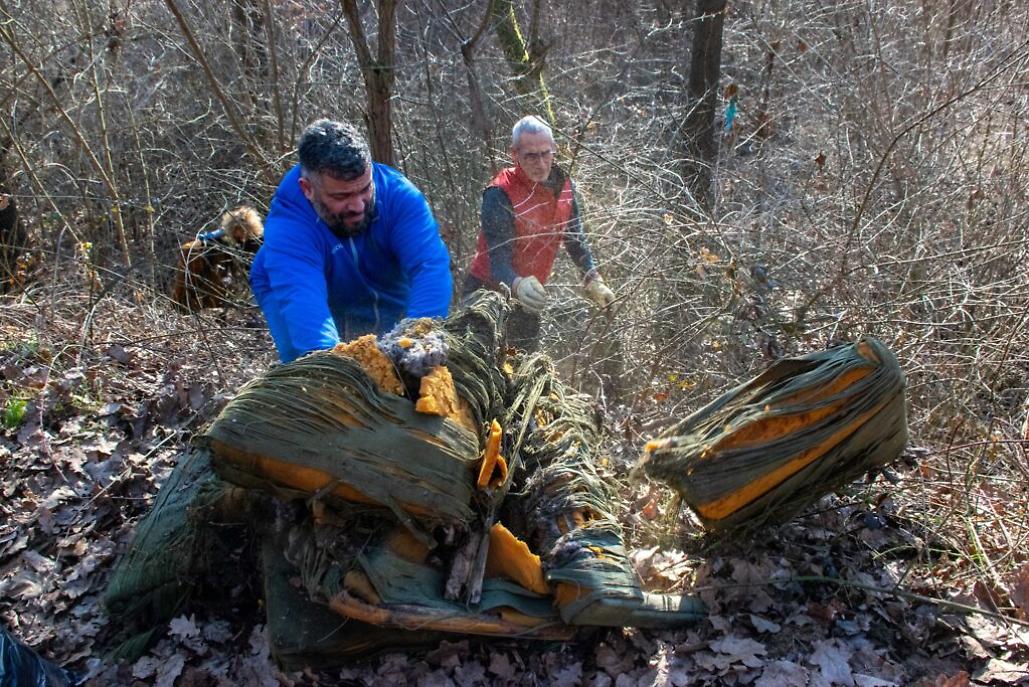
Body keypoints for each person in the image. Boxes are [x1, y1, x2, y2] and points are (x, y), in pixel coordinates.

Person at [250, 119, 453, 363]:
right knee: (311, 367)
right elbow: (303, 302)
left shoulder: (400, 196)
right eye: (342, 196)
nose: (357, 205)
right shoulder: (288, 226)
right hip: (302, 289)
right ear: (307, 189)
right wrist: (336, 368)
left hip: (384, 279)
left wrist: (417, 339)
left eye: (365, 189)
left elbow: (429, 267)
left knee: (407, 357)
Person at [463, 115, 616, 350]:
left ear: (554, 150)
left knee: (525, 374)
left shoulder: (564, 185)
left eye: (546, 153)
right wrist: (517, 284)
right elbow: (498, 261)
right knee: (483, 375)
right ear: (515, 154)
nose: (541, 163)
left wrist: (592, 278)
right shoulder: (499, 194)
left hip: (529, 301)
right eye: (531, 156)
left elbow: (575, 239)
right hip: (487, 296)